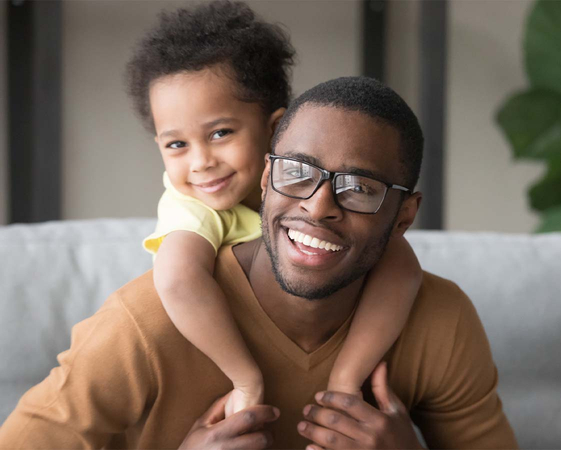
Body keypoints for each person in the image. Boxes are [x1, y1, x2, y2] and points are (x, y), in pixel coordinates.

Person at [0, 76, 518, 449]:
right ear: (267, 178)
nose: (318, 207)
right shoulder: (144, 325)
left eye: (359, 189)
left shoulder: (439, 321)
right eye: (298, 172)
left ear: (403, 216)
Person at [132, 0, 422, 416]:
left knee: (400, 258)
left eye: (219, 133)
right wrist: (245, 379)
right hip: (209, 360)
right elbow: (179, 283)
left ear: (274, 130)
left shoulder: (301, 184)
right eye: (176, 144)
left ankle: (343, 380)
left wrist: (346, 381)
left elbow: (402, 268)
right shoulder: (191, 207)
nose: (200, 162)